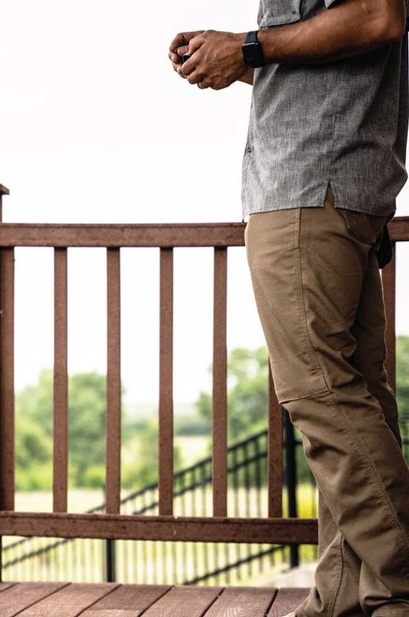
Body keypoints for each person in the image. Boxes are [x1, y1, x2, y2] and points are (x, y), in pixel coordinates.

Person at [168, 2, 409, 616]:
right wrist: (233, 58)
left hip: (309, 185)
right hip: (341, 183)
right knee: (353, 396)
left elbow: (378, 17)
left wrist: (248, 46)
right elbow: (334, 53)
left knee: (321, 395)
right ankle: (345, 596)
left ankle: (402, 583)